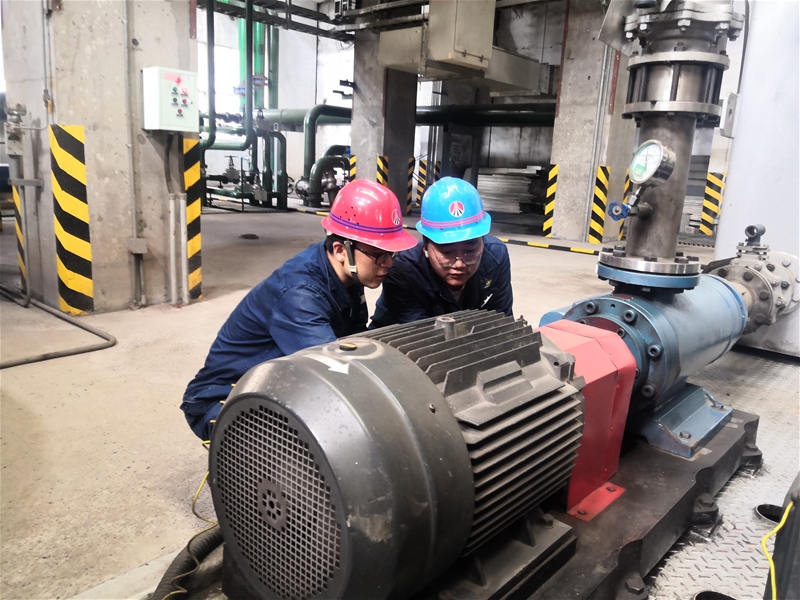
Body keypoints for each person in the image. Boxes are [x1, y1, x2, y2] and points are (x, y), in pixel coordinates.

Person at [181, 180, 417, 440]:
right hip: (223, 399)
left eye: (392, 254)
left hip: (277, 385)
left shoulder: (348, 273)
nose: (388, 264)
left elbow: (353, 344)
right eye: (380, 255)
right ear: (341, 250)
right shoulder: (299, 295)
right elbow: (334, 373)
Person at [370, 177, 513, 328]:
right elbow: (421, 336)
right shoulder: (404, 272)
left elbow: (502, 321)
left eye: (470, 251)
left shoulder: (496, 258)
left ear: (482, 242)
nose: (459, 264)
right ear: (426, 246)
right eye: (447, 253)